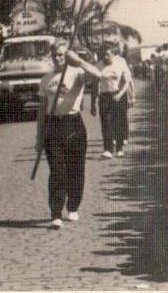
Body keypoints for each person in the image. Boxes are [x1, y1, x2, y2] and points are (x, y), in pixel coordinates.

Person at [36, 41, 101, 229]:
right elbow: (42, 110)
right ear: (51, 56)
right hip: (53, 125)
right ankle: (56, 213)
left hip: (73, 124)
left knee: (75, 169)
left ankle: (72, 206)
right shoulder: (46, 79)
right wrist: (39, 137)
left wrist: (78, 60)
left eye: (62, 54)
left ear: (67, 55)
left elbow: (98, 75)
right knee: (57, 170)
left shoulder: (77, 74)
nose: (58, 58)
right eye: (55, 55)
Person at [92, 44, 131, 158]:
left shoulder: (120, 62)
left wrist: (120, 94)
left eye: (108, 54)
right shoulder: (98, 66)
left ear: (113, 54)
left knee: (119, 121)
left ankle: (119, 148)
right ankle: (108, 149)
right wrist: (93, 103)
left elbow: (126, 81)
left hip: (119, 94)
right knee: (106, 122)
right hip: (104, 96)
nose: (105, 57)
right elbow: (95, 85)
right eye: (103, 55)